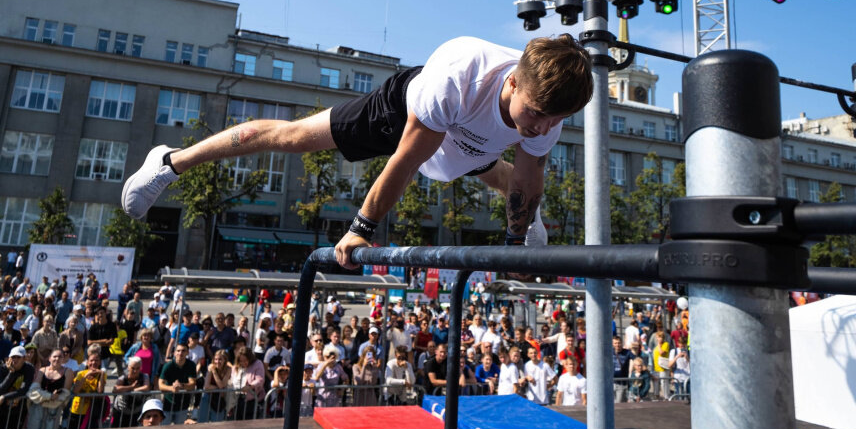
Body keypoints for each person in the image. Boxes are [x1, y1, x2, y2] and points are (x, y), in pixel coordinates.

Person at [122, 36, 594, 268]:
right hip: (407, 118)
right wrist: (360, 231)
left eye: (555, 121)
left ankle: (529, 227)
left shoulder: (546, 112)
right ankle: (169, 162)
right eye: (535, 114)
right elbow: (405, 162)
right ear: (512, 81)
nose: (543, 127)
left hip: (470, 146)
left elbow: (529, 176)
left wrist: (515, 245)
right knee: (293, 137)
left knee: (501, 175)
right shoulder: (457, 82)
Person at [26, 348, 74, 429]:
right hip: (37, 408)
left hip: (54, 410)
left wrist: (49, 402)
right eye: (54, 356)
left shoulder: (68, 372)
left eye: (60, 357)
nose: (57, 359)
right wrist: (49, 396)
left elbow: (65, 394)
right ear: (49, 358)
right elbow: (33, 390)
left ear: (63, 359)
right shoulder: (42, 370)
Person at [0, 345, 35, 429]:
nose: (15, 359)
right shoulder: (2, 369)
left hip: (18, 409)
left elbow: (24, 389)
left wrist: (3, 397)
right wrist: (11, 373)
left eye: (18, 357)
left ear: (24, 358)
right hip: (1, 409)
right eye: (13, 357)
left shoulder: (29, 368)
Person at [67, 346, 107, 429]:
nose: (94, 362)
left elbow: (100, 391)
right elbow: (75, 390)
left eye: (96, 360)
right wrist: (86, 375)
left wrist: (102, 375)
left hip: (91, 410)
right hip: (77, 408)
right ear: (87, 362)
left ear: (100, 362)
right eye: (91, 360)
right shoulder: (81, 373)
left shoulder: (102, 374)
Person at [158, 342, 197, 424]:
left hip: (183, 405)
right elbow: (160, 384)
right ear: (174, 352)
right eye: (178, 351)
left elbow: (192, 384)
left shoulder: (191, 365)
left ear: (187, 352)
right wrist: (172, 388)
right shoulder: (168, 366)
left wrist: (181, 385)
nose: (180, 353)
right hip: (167, 404)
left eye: (183, 351)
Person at [199, 349, 232, 423]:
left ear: (225, 360)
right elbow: (206, 386)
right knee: (202, 422)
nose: (217, 362)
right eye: (216, 359)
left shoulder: (228, 369)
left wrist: (214, 372)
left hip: (220, 398)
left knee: (217, 423)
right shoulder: (210, 367)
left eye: (220, 359)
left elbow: (222, 385)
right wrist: (219, 388)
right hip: (207, 396)